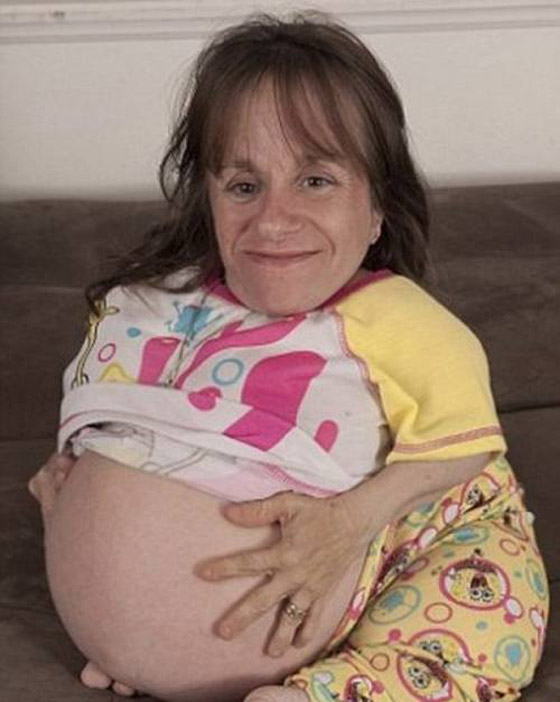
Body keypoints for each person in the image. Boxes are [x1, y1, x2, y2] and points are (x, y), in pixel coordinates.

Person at [29, 12, 549, 702]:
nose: (274, 220)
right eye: (244, 187)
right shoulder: (158, 305)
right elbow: (108, 418)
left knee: (490, 607)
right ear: (207, 201)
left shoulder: (394, 320)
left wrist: (349, 524)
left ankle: (343, 690)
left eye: (316, 181)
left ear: (377, 209)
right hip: (160, 644)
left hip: (408, 535)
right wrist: (69, 506)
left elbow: (466, 447)